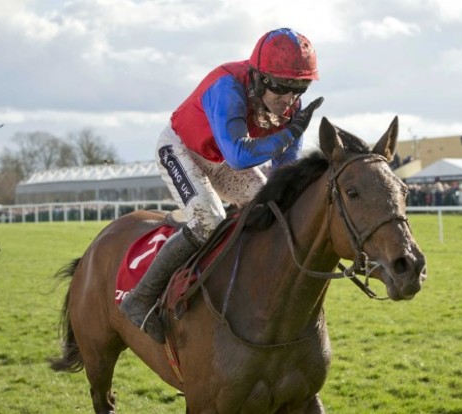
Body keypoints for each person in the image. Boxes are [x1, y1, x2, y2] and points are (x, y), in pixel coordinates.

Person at [120, 28, 324, 343]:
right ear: (260, 77)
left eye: (300, 89)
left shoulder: (290, 107)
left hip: (221, 161)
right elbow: (240, 155)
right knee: (208, 219)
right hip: (181, 150)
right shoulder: (227, 87)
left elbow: (283, 173)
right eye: (283, 89)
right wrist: (288, 135)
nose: (290, 101)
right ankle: (141, 298)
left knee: (272, 210)